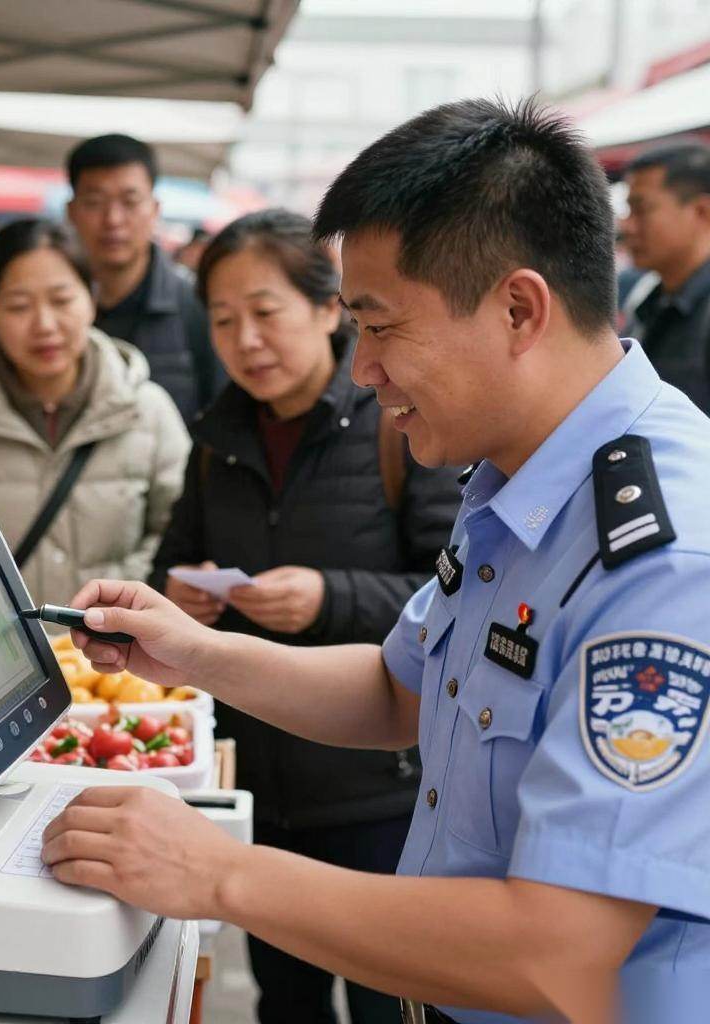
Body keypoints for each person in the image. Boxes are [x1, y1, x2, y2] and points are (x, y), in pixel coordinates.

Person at [40, 98, 710, 1024]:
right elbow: (401, 692)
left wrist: (220, 873)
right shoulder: (514, 479)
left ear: (519, 308)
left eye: (382, 327)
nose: (362, 371)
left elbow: (560, 956)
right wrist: (191, 655)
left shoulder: (668, 558)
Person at [150, 208, 461, 1024]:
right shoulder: (217, 438)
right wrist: (179, 596)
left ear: (331, 310)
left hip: (377, 795)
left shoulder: (405, 426)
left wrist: (330, 598)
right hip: (261, 779)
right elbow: (173, 556)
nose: (245, 339)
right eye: (222, 319)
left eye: (265, 311)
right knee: (284, 1003)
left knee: (386, 1000)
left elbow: (452, 591)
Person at [0, 220, 191, 602]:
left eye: (62, 300)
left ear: (92, 300)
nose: (44, 325)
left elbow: (178, 534)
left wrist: (122, 599)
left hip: (122, 650)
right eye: (18, 306)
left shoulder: (147, 410)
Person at [66, 134, 223, 422]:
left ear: (155, 209)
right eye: (94, 202)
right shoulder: (56, 311)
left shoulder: (197, 307)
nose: (113, 219)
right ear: (71, 212)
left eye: (130, 201)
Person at [620, 141, 710, 413]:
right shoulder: (646, 300)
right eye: (628, 210)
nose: (627, 225)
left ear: (701, 212)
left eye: (642, 209)